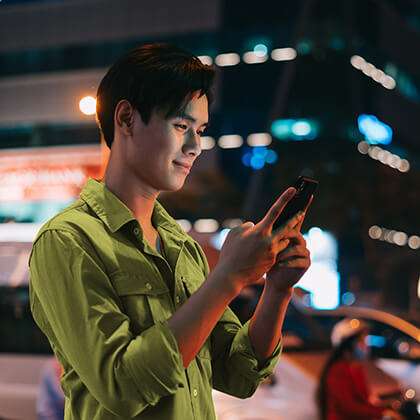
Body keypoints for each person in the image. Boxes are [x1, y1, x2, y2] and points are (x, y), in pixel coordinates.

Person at [28, 43, 312, 420]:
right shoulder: (68, 240)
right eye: (181, 126)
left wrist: (278, 290)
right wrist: (228, 277)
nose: (196, 146)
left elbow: (238, 373)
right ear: (127, 118)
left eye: (201, 130)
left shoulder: (182, 246)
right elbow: (121, 387)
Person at [316, 318, 404, 420]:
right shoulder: (337, 370)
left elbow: (363, 401)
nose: (366, 346)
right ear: (348, 344)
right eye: (362, 341)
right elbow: (348, 406)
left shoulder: (355, 369)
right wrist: (382, 413)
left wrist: (385, 408)